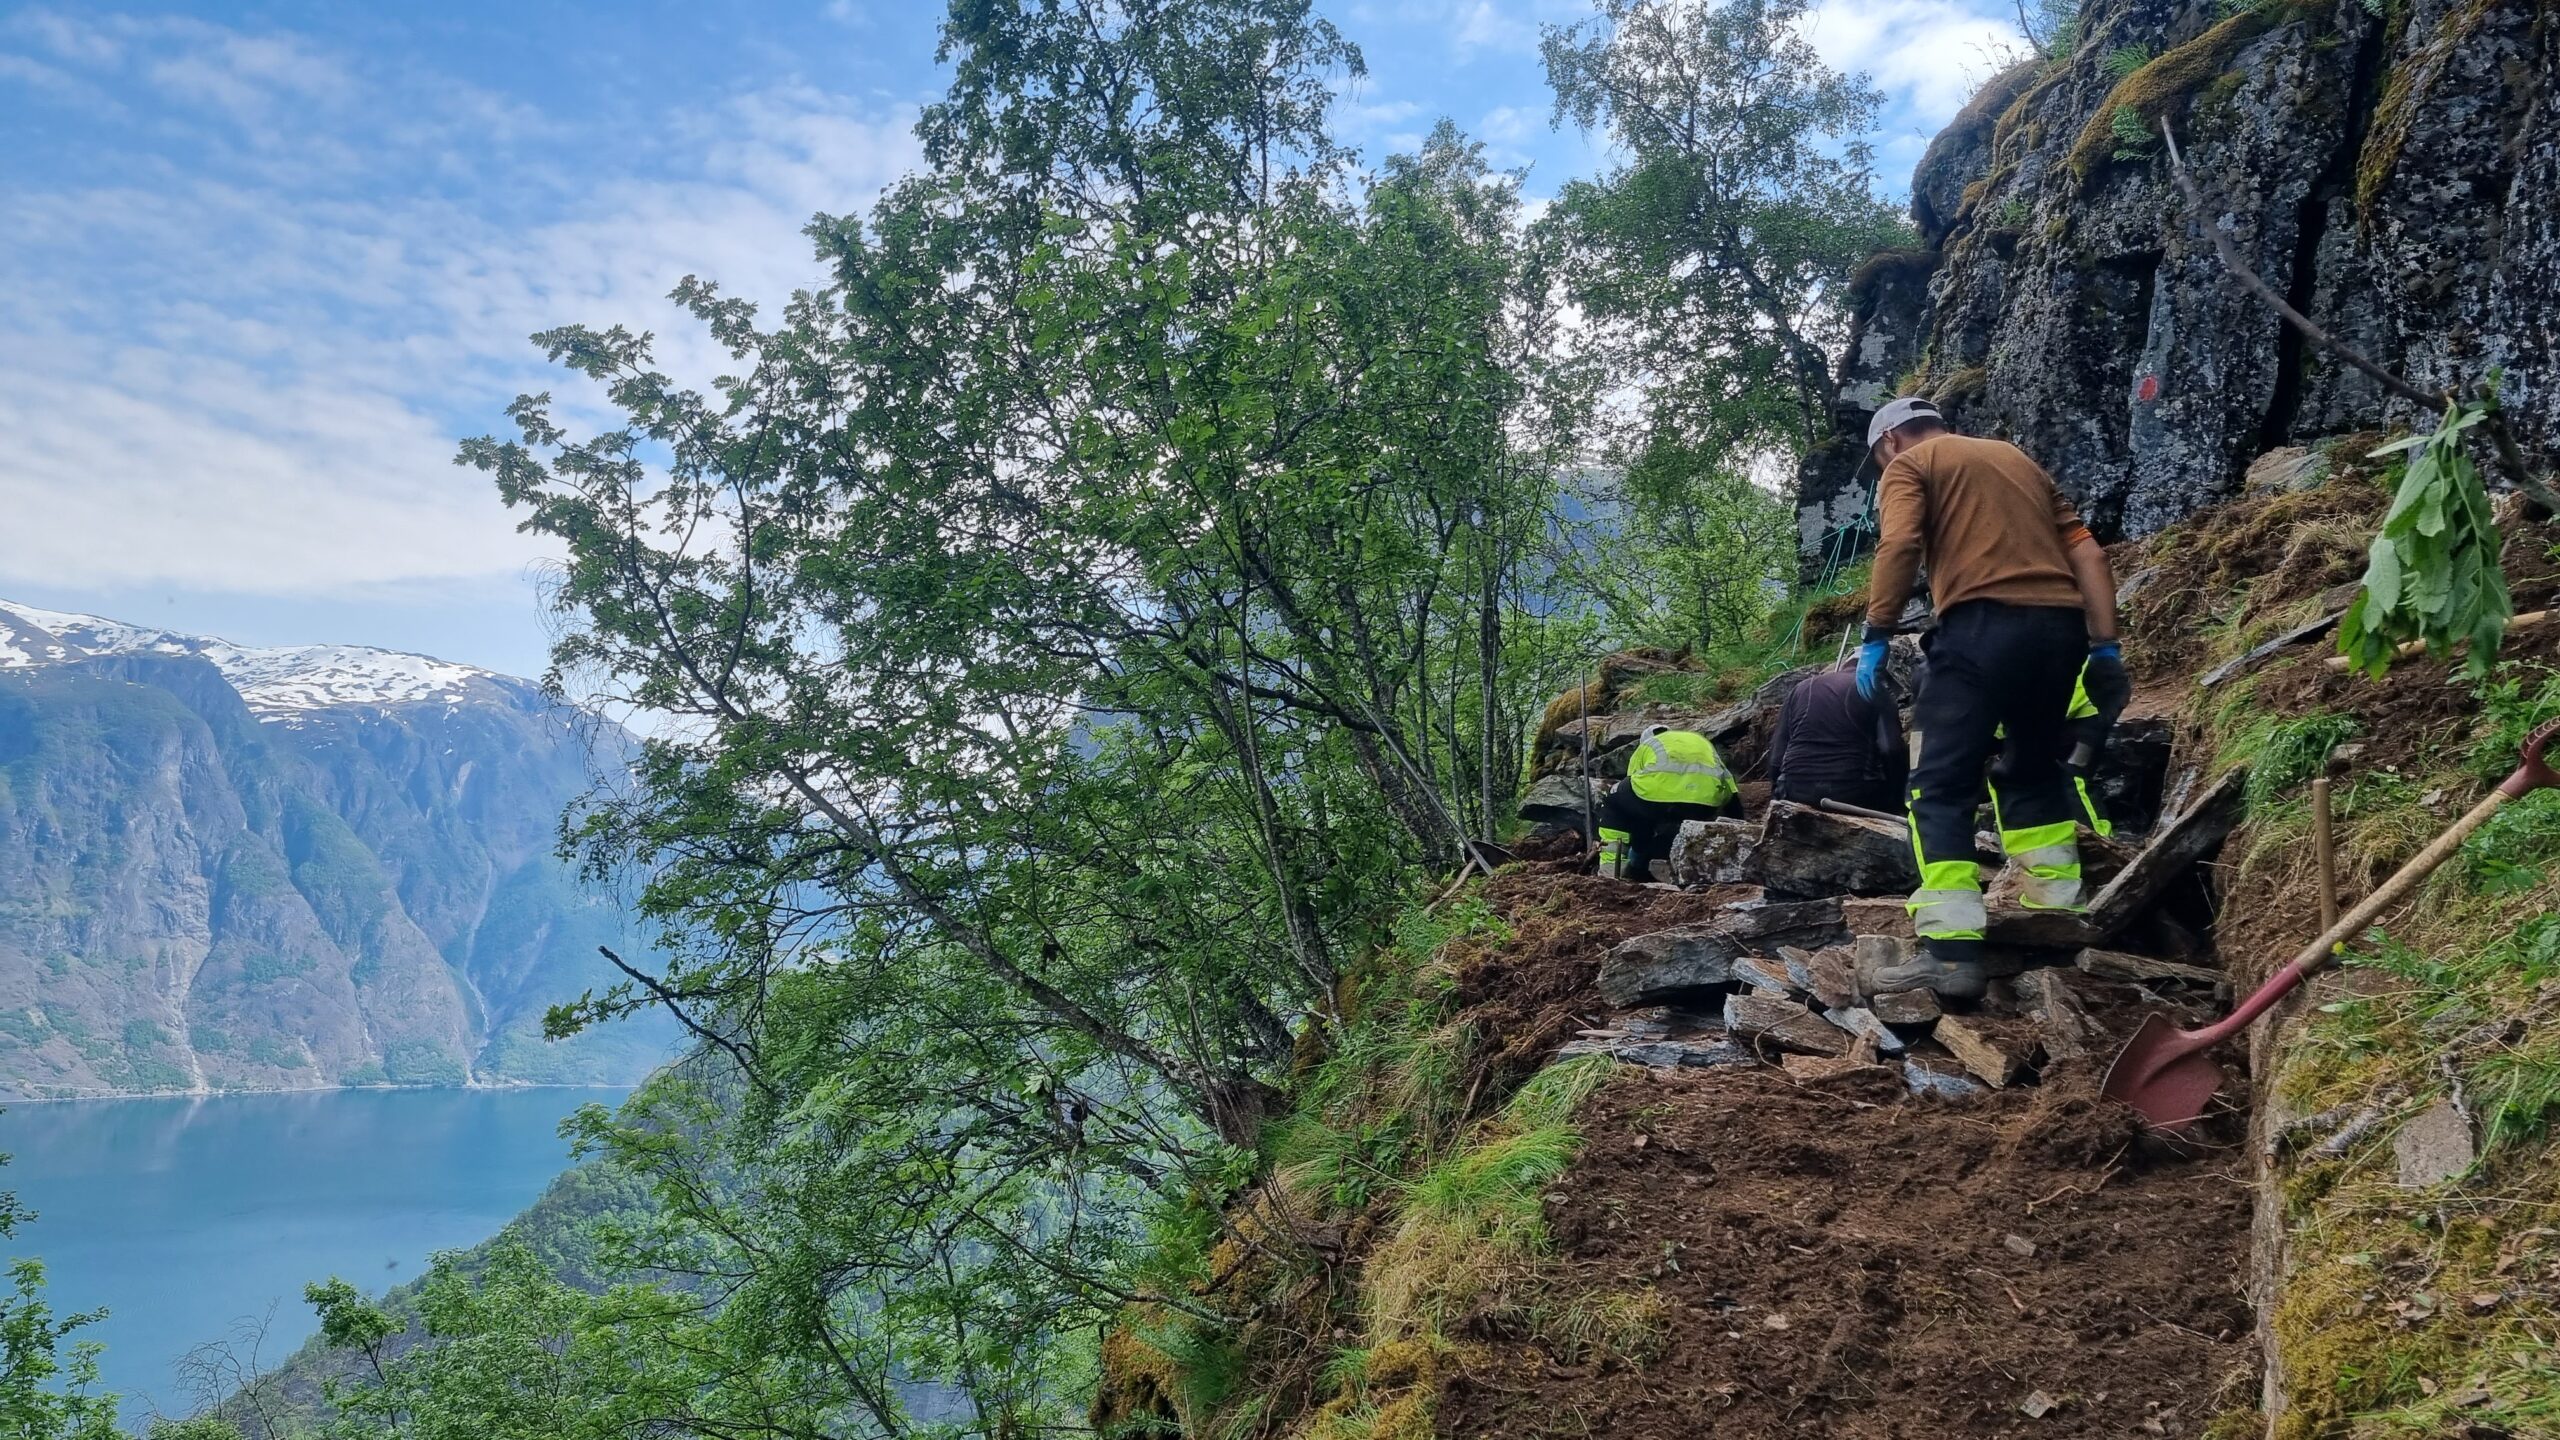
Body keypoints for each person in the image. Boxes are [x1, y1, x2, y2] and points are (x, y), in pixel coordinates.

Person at [1852, 397, 2129, 998]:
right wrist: (2105, 646)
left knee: (1938, 782)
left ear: (1888, 443)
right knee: (2030, 771)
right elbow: (2088, 551)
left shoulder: (1910, 464)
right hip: (2060, 633)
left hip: (1980, 629)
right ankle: (2058, 919)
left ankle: (1950, 956)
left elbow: (1899, 544)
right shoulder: (2017, 459)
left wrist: (1877, 631)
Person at [1594, 726, 1742, 881]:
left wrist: (1638, 849)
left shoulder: (1648, 745)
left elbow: (1635, 799)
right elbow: (1731, 787)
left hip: (1656, 795)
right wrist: (1738, 825)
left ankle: (1612, 872)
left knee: (1615, 801)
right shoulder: (1700, 741)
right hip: (1705, 800)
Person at [1769, 658, 1908, 815]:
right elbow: (1891, 750)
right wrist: (1898, 799)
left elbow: (1776, 755)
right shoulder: (1874, 688)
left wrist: (1776, 795)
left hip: (1795, 791)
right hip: (1854, 794)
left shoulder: (1800, 688)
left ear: (1844, 666)